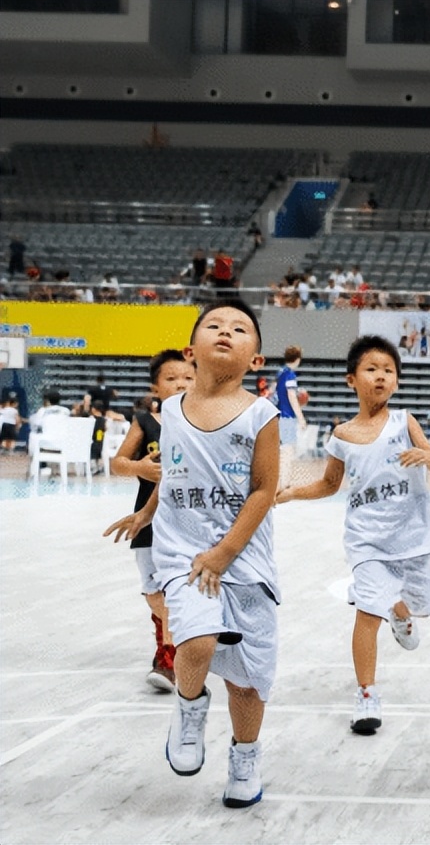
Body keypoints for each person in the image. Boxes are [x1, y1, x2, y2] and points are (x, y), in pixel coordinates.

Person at [104, 298, 279, 808]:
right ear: (191, 349)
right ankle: (189, 705)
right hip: (184, 553)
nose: (226, 331)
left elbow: (264, 490)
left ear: (256, 360)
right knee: (196, 641)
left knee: (248, 685)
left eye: (241, 329)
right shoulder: (171, 410)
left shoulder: (262, 414)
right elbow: (177, 471)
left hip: (244, 558)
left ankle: (245, 758)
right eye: (215, 325)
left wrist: (226, 551)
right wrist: (148, 513)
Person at [276, 336, 430, 735]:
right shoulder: (342, 435)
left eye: (388, 371)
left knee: (422, 606)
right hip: (366, 540)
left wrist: (429, 457)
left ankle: (399, 609)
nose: (381, 377)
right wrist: (290, 493)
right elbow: (329, 484)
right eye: (372, 369)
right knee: (366, 614)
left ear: (397, 382)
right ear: (352, 379)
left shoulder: (406, 422)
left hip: (413, 537)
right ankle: (366, 695)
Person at [109, 349, 196, 691]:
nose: (180, 384)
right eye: (171, 379)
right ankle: (173, 647)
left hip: (190, 518)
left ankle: (168, 657)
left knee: (181, 588)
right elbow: (118, 462)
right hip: (148, 517)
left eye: (188, 378)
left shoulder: (203, 423)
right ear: (155, 387)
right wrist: (138, 468)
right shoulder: (145, 422)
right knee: (154, 592)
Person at [274, 346, 306, 492]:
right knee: (287, 450)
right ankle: (283, 483)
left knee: (281, 450)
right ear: (298, 359)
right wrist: (301, 418)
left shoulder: (280, 372)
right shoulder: (291, 375)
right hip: (287, 416)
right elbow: (292, 397)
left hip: (279, 414)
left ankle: (280, 481)